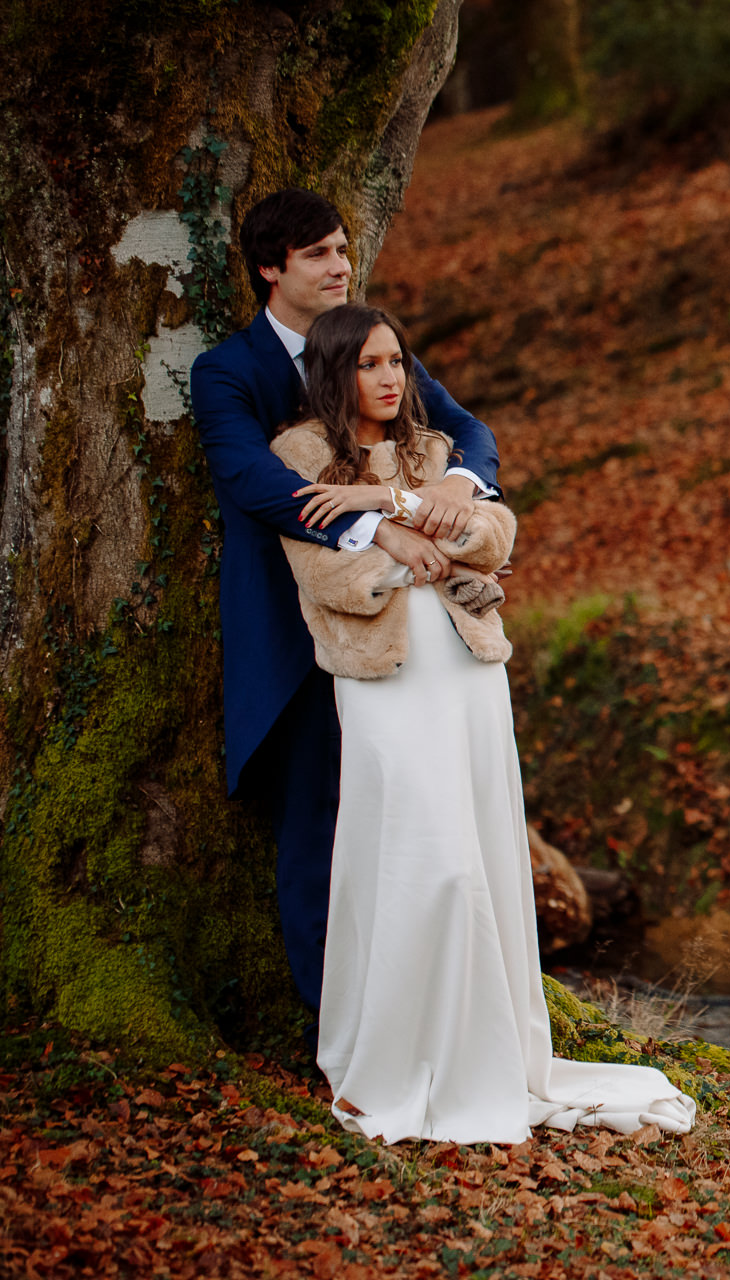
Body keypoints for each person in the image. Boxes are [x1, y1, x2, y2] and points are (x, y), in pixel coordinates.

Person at [270, 303, 696, 1143]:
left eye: (397, 361)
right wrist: (405, 551)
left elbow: (495, 533)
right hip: (385, 677)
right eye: (369, 365)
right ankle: (400, 1056)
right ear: (334, 372)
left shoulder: (436, 449)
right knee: (421, 860)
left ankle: (493, 1049)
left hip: (467, 670)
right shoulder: (296, 454)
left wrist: (389, 508)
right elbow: (324, 573)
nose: (391, 378)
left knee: (481, 856)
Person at [190, 190, 500, 1013]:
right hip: (292, 632)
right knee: (320, 829)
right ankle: (339, 1032)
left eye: (342, 249)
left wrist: (445, 494)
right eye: (319, 254)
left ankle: (431, 1011)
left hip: (409, 631)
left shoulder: (373, 347)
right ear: (270, 268)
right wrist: (374, 530)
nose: (339, 265)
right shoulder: (228, 369)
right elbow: (255, 481)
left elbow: (468, 434)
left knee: (420, 822)